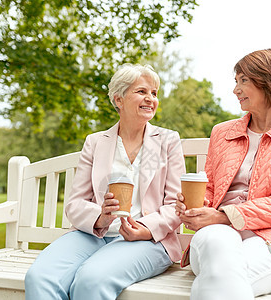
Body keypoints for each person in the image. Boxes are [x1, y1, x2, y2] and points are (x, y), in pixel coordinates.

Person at [25, 64, 186, 299]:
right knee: (39, 278)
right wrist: (100, 217)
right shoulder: (95, 142)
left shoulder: (168, 141)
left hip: (148, 240)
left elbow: (175, 205)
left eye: (154, 93)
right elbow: (76, 203)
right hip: (93, 234)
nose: (151, 99)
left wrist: (146, 229)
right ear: (118, 99)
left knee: (91, 280)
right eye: (142, 91)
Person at [175, 49, 271, 299]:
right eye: (236, 81)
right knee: (217, 251)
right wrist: (197, 206)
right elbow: (209, 188)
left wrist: (224, 216)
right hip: (215, 236)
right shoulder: (222, 132)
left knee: (219, 279)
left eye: (244, 80)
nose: (236, 89)